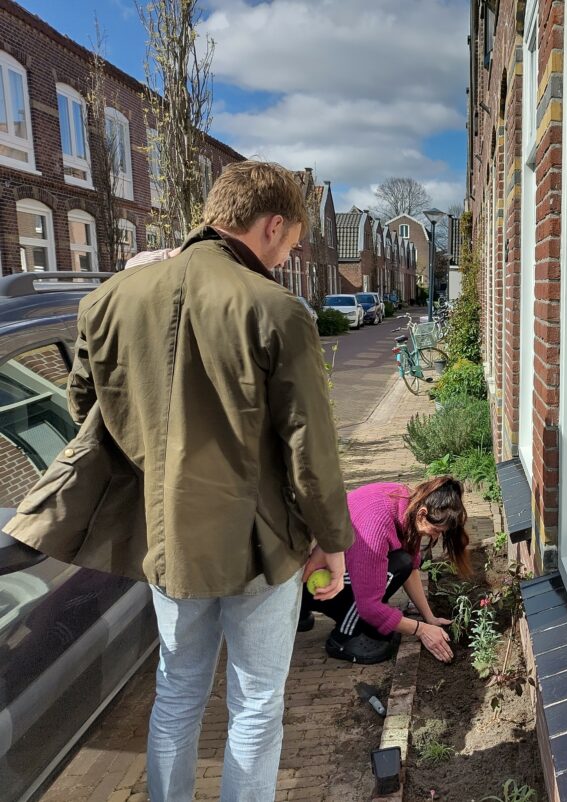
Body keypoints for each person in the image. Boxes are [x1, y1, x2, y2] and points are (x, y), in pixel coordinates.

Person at [67, 161, 353, 802]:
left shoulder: (110, 298)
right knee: (254, 703)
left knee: (177, 688)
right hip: (259, 544)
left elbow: (86, 408)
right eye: (294, 240)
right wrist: (333, 541)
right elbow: (311, 446)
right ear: (272, 225)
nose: (293, 253)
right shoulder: (278, 309)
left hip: (169, 541)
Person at [299, 477, 470, 665]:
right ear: (422, 514)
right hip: (320, 582)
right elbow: (369, 606)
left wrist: (429, 618)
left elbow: (410, 567)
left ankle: (301, 611)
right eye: (437, 530)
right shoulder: (376, 527)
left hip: (336, 568)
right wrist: (421, 630)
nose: (436, 535)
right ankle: (343, 638)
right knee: (374, 606)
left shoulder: (407, 504)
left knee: (402, 562)